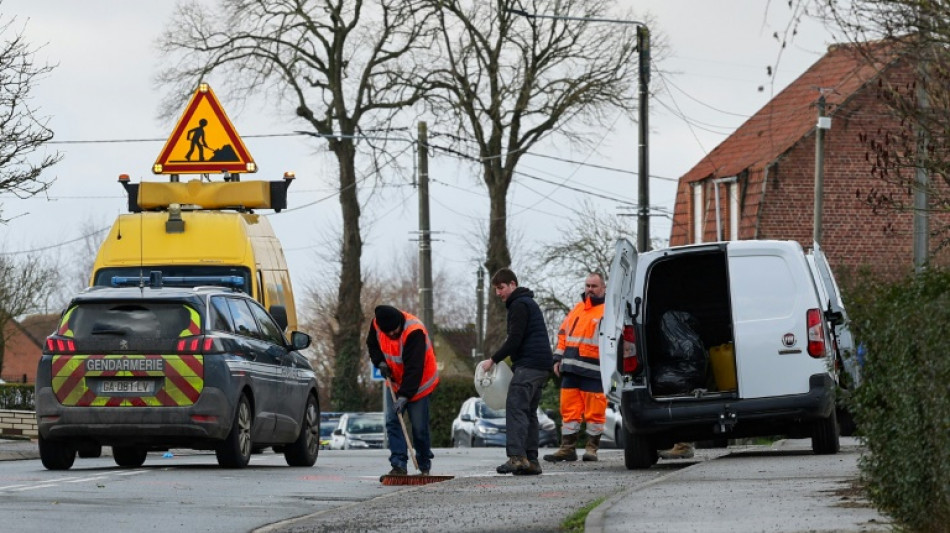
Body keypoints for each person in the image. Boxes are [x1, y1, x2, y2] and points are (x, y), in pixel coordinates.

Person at [478, 268, 553, 476]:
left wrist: (493, 359)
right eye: (495, 289)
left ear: (513, 284)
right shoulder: (527, 303)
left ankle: (517, 458)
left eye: (501, 287)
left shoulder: (519, 305)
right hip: (541, 365)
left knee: (516, 406)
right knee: (529, 412)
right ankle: (531, 461)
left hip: (530, 364)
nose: (498, 293)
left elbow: (514, 340)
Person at [366, 305, 440, 479]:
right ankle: (398, 465)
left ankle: (424, 465)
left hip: (420, 384)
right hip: (394, 382)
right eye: (388, 332)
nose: (392, 334)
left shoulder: (414, 331)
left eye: (395, 330)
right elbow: (372, 345)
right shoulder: (377, 324)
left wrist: (404, 396)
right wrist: (380, 363)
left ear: (400, 322)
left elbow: (415, 368)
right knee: (393, 421)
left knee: (419, 427)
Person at [544, 272, 608, 463]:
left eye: (594, 286)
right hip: (570, 369)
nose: (590, 289)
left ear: (603, 288)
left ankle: (591, 449)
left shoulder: (608, 311)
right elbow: (563, 335)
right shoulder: (577, 308)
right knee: (569, 411)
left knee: (595, 413)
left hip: (595, 371)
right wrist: (557, 358)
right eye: (587, 285)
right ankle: (567, 449)